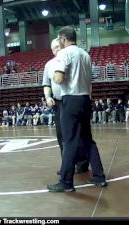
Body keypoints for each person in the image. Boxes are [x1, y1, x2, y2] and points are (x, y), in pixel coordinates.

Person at [47, 26, 106, 192]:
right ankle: (99, 176)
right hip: (85, 99)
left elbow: (58, 78)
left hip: (71, 100)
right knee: (87, 139)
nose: (58, 42)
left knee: (69, 141)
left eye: (59, 39)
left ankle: (66, 182)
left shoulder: (64, 54)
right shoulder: (85, 54)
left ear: (64, 38)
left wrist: (53, 77)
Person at [42, 37, 89, 177]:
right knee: (62, 135)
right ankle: (67, 165)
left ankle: (81, 164)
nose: (58, 49)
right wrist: (48, 97)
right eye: (55, 48)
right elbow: (46, 84)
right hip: (58, 103)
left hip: (72, 100)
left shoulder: (71, 59)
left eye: (59, 46)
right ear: (51, 51)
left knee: (78, 134)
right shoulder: (49, 65)